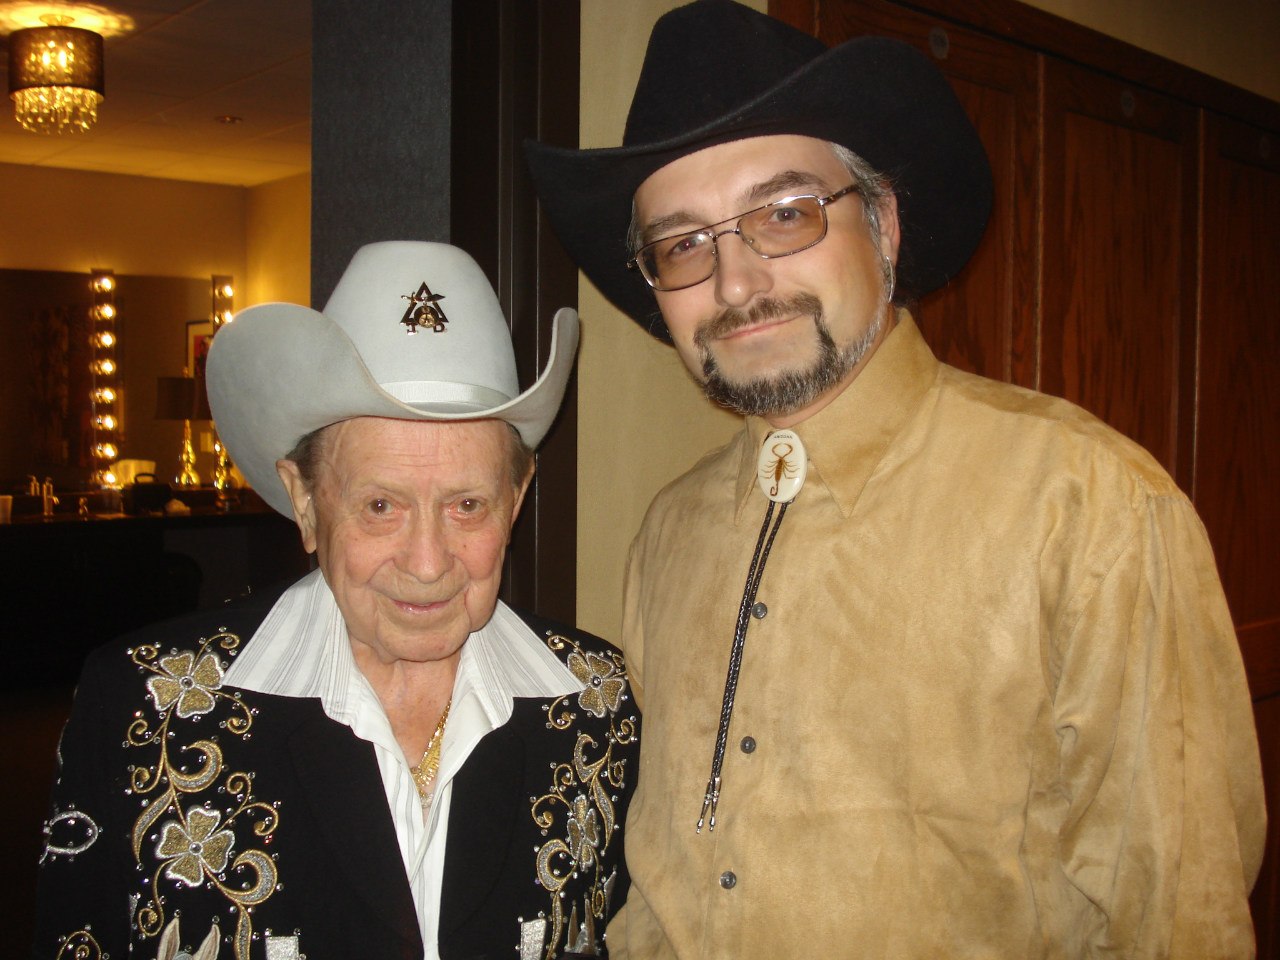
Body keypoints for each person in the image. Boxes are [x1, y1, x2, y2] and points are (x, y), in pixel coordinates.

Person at [525, 1, 1265, 957]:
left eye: (784, 214)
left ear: (882, 224)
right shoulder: (670, 531)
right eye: (683, 244)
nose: (736, 283)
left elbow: (1181, 919)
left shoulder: (1089, 506)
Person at [32, 242, 639, 960]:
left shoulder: (599, 706)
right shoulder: (143, 708)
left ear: (516, 498)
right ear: (306, 502)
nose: (427, 563)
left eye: (467, 505)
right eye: (381, 505)